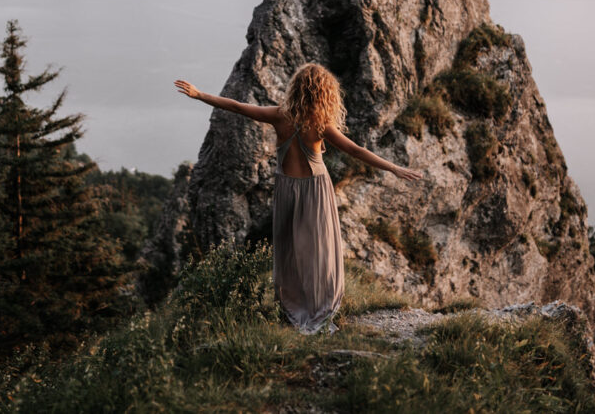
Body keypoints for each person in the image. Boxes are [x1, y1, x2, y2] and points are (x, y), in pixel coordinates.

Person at [174, 63, 422, 334]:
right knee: (319, 250)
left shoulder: (279, 116)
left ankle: (293, 306)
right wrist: (394, 167)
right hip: (315, 189)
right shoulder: (320, 125)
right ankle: (321, 308)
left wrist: (199, 95)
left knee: (289, 250)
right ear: (324, 93)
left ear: (297, 89)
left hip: (286, 189)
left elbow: (236, 106)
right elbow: (356, 150)